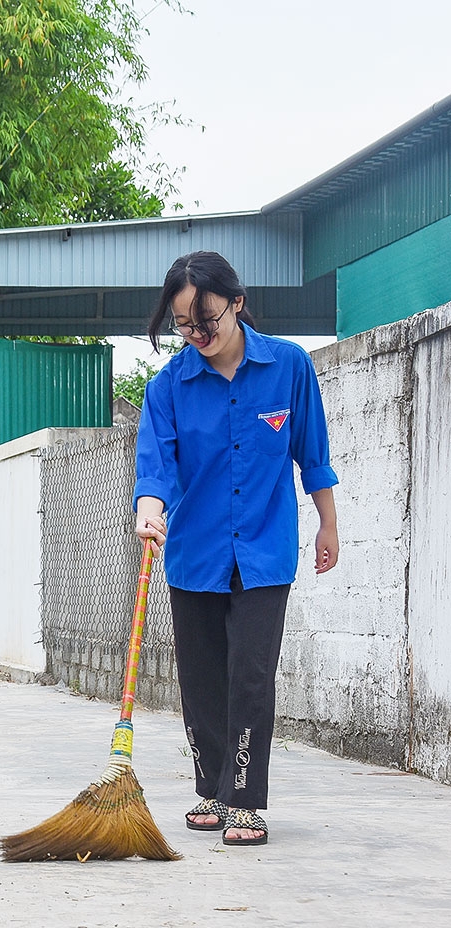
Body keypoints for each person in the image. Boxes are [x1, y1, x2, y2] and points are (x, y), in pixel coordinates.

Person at [134, 250, 339, 847]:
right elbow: (157, 466)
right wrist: (150, 511)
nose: (197, 334)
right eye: (184, 325)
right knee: (201, 681)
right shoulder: (168, 387)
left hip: (265, 550)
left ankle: (245, 800)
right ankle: (210, 787)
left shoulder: (290, 368)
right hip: (194, 552)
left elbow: (313, 454)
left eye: (208, 320)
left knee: (250, 675)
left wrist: (328, 524)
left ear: (238, 304)